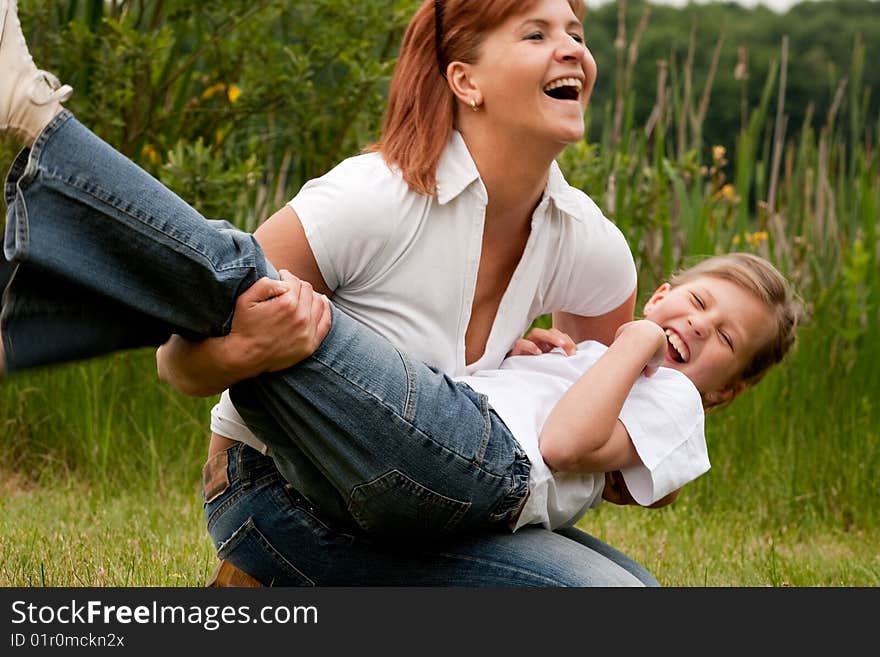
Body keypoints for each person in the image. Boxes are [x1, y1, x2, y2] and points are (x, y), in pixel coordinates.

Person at [3, 0, 680, 586]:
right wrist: (245, 348)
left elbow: (589, 454)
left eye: (577, 33)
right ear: (465, 81)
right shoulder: (374, 199)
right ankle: (33, 123)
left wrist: (538, 375)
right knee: (241, 281)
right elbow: (178, 360)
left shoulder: (591, 247)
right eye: (536, 34)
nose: (571, 49)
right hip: (283, 494)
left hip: (446, 504)